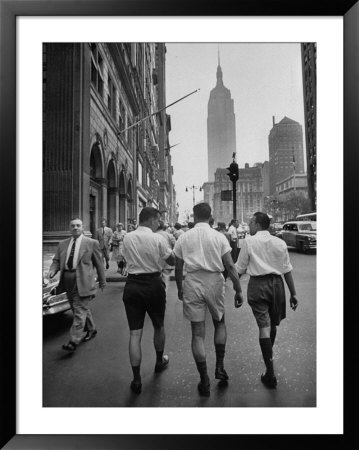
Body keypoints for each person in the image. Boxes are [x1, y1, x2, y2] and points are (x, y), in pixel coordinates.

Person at [174, 203, 243, 397]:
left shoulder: (183, 237)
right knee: (219, 322)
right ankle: (219, 366)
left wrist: (180, 288)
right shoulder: (219, 237)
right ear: (209, 216)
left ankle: (204, 379)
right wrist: (238, 290)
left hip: (192, 281)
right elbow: (229, 265)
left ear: (194, 216)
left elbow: (178, 268)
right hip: (214, 281)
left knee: (197, 333)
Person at [235, 212, 299, 389]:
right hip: (277, 286)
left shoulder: (249, 241)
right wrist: (293, 293)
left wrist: (237, 289)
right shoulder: (280, 243)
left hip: (257, 286)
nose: (249, 225)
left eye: (251, 222)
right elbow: (287, 270)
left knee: (264, 327)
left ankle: (270, 373)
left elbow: (239, 269)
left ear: (257, 224)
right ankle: (269, 361)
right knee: (272, 326)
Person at [122, 207, 175, 394]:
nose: (159, 223)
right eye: (157, 220)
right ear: (151, 220)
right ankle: (159, 362)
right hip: (153, 284)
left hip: (133, 285)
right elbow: (172, 260)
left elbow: (124, 258)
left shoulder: (127, 237)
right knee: (159, 325)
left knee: (135, 334)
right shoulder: (158, 239)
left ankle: (136, 380)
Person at [48, 218, 106, 352]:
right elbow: (56, 261)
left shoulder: (92, 243)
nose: (75, 228)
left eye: (78, 225)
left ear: (82, 227)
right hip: (67, 280)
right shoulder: (62, 244)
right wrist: (52, 270)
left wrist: (102, 281)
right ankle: (91, 329)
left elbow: (99, 264)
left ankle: (73, 341)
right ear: (69, 228)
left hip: (84, 280)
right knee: (77, 308)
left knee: (79, 310)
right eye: (73, 226)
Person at [155, 220, 176, 292]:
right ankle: (163, 295)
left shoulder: (153, 235)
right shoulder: (169, 235)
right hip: (167, 259)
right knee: (165, 279)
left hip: (156, 260)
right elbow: (174, 245)